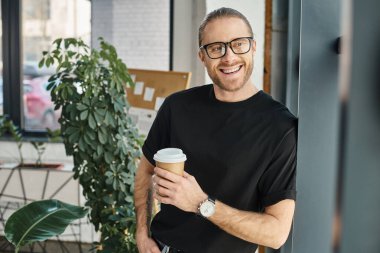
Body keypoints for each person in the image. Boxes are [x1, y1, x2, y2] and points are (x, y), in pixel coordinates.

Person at [134, 7, 297, 253]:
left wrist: (200, 203)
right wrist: (142, 233)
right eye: (216, 48)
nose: (229, 57)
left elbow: (276, 233)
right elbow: (146, 170)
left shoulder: (280, 127)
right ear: (202, 56)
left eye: (238, 44)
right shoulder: (176, 107)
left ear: (253, 47)